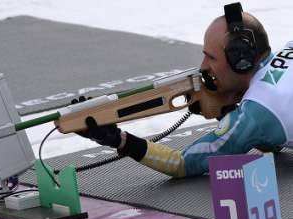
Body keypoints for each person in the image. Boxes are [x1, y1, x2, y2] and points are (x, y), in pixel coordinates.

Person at [74, 2, 293, 178]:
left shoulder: (258, 111)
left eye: (211, 57)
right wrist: (226, 113)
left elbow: (181, 164)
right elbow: (272, 139)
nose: (204, 66)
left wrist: (119, 140)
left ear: (241, 60)